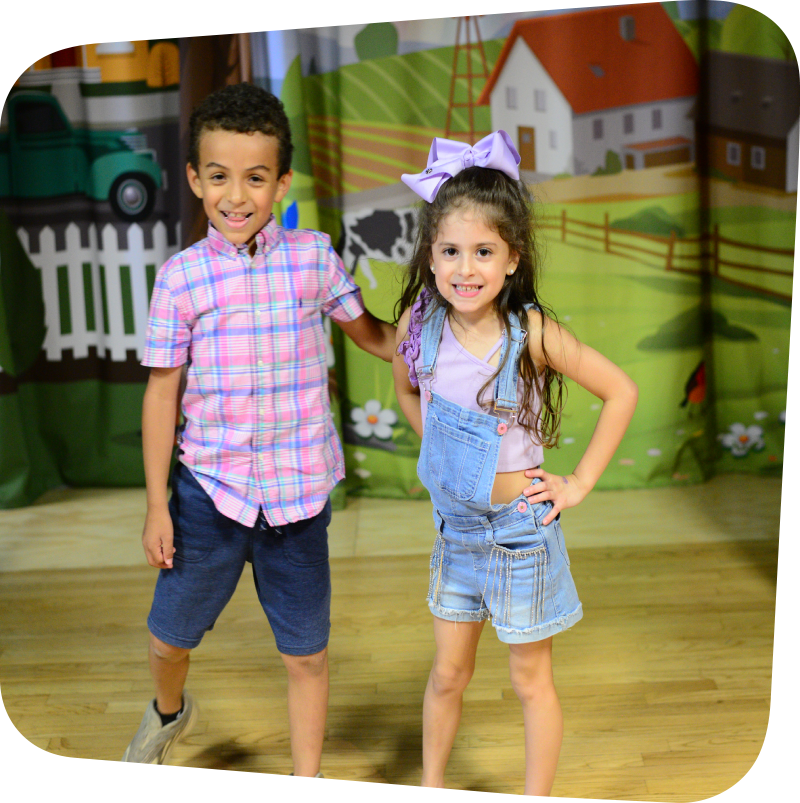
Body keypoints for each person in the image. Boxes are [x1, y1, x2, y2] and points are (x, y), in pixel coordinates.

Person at [122, 83, 396, 773]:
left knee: (306, 654)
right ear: (194, 178)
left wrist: (444, 328)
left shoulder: (313, 258)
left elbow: (373, 337)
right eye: (218, 176)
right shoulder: (180, 279)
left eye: (255, 177)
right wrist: (157, 503)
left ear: (282, 181)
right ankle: (167, 712)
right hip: (207, 495)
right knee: (167, 640)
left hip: (298, 496)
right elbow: (161, 394)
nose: (236, 196)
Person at [393, 131, 638, 795]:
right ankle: (434, 779)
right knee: (448, 674)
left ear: (511, 258)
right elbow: (404, 383)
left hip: (519, 535)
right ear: (430, 253)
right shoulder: (423, 323)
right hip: (456, 535)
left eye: (482, 251)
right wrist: (436, 452)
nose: (463, 268)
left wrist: (580, 481)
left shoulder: (529, 334)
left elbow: (621, 390)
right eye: (449, 250)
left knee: (530, 680)